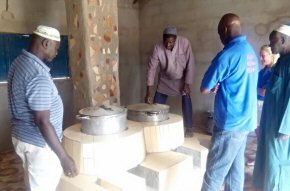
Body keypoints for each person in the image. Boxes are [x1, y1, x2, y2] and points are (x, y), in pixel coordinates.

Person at [7, 25, 78, 191]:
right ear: (46, 43)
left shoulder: (18, 62)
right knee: (43, 186)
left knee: (33, 181)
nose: (57, 52)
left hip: (22, 137)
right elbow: (42, 121)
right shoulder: (37, 74)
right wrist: (63, 157)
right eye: (56, 48)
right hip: (39, 144)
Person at [200, 13, 258, 191]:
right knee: (235, 172)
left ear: (225, 30)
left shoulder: (226, 55)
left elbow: (204, 88)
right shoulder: (251, 52)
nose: (221, 39)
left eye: (220, 35)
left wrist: (215, 85)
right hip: (246, 122)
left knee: (214, 175)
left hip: (229, 125)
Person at [253, 24, 290, 191]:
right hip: (270, 123)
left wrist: (286, 128)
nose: (270, 44)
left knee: (277, 166)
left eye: (272, 40)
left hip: (280, 129)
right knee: (267, 162)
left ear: (283, 40)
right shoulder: (282, 62)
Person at [144, 26, 195, 136]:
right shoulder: (158, 47)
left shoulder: (185, 43)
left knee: (186, 99)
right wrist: (149, 90)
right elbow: (151, 68)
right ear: (163, 39)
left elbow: (190, 64)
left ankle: (189, 128)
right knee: (157, 106)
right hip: (165, 80)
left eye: (171, 42)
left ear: (176, 39)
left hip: (182, 80)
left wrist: (187, 83)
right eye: (166, 42)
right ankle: (156, 128)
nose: (168, 45)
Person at [246, 45, 278, 166]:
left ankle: (264, 157)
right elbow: (258, 89)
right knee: (258, 130)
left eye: (263, 56)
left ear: (271, 55)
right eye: (260, 55)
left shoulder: (274, 71)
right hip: (258, 103)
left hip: (266, 104)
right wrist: (257, 89)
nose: (261, 58)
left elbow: (264, 91)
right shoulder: (262, 71)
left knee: (263, 131)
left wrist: (256, 89)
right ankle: (260, 156)